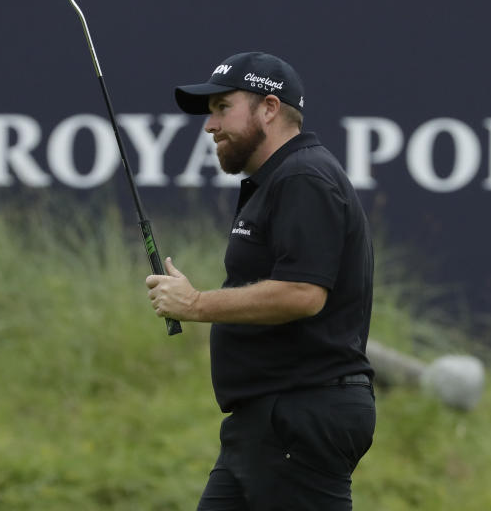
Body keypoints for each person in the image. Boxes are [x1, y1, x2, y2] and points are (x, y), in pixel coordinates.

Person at [145, 52, 376, 510]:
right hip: (264, 421)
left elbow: (304, 293)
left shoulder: (305, 176)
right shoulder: (278, 180)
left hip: (298, 416)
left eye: (221, 108)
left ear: (268, 109)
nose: (210, 126)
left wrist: (194, 305)